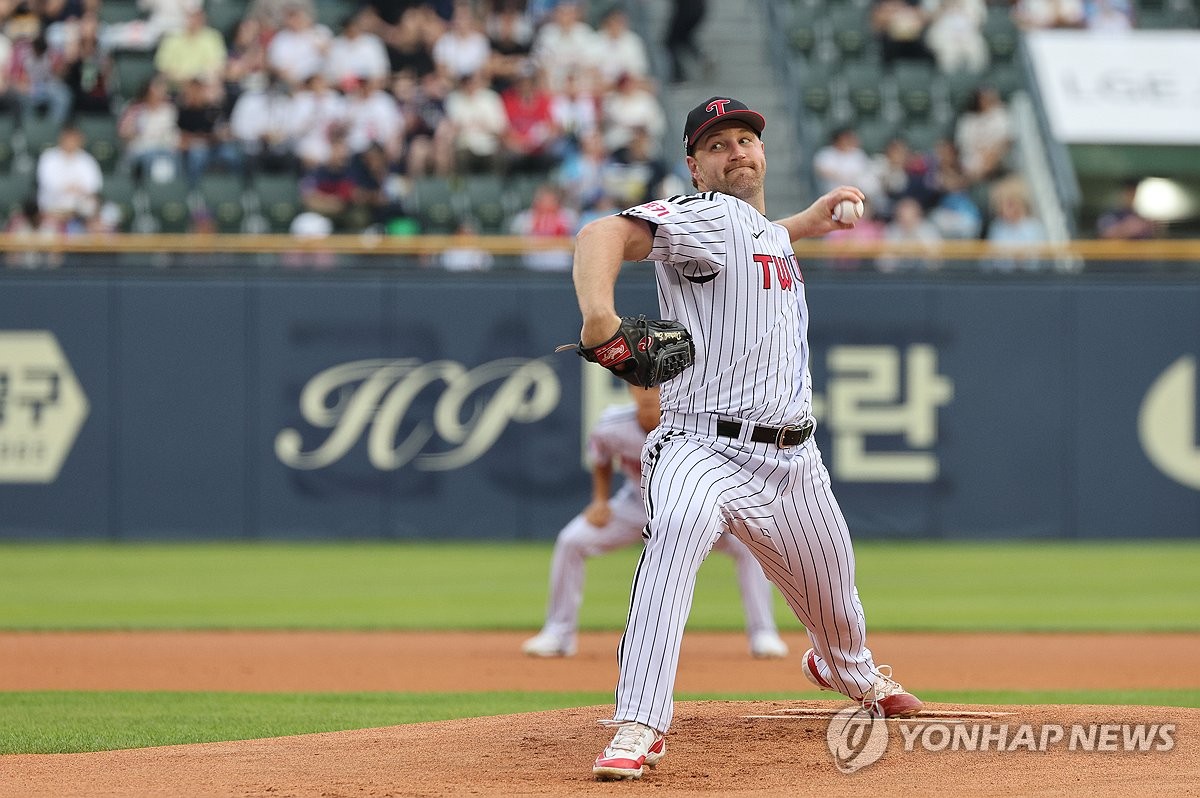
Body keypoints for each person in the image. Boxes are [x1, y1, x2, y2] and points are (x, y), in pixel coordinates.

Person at [571, 96, 924, 781]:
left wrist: (806, 224)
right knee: (672, 532)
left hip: (792, 462)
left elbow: (757, 244)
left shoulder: (762, 232)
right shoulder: (707, 214)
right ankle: (639, 722)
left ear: (763, 154)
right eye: (717, 144)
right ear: (695, 168)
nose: (736, 151)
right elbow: (599, 234)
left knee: (839, 607)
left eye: (745, 140)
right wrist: (599, 319)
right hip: (699, 447)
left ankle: (844, 669)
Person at [522, 384, 790, 661]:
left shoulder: (695, 423)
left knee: (747, 546)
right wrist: (600, 500)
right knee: (571, 541)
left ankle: (763, 632)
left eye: (657, 387)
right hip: (635, 506)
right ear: (631, 391)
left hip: (694, 510)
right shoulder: (613, 424)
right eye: (642, 387)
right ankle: (558, 633)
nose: (649, 393)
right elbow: (601, 458)